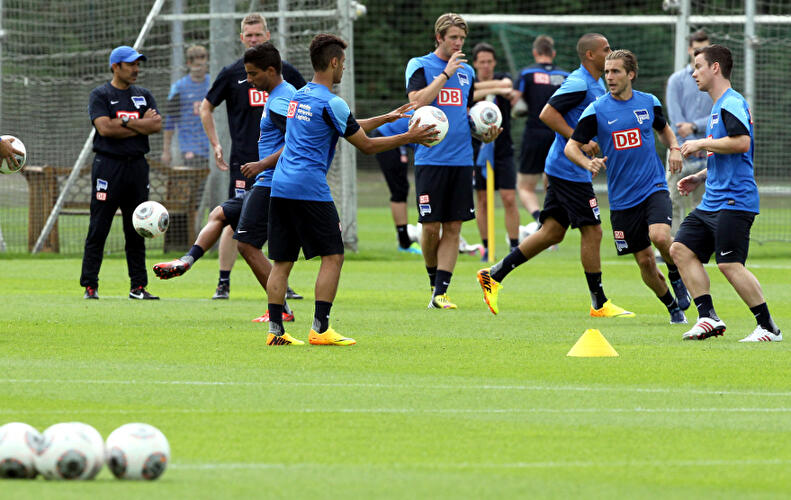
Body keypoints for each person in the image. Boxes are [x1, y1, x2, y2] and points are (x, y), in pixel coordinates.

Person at [264, 33, 438, 346]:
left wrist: (387, 118)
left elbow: (345, 125)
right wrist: (408, 137)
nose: (344, 68)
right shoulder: (333, 102)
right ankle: (320, 329)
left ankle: (276, 332)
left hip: (281, 186)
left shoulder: (299, 96)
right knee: (333, 256)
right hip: (309, 188)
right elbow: (366, 145)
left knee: (282, 262)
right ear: (334, 62)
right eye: (343, 63)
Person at [476, 33, 633, 319]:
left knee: (552, 232)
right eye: (606, 49)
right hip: (568, 169)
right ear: (590, 55)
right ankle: (599, 302)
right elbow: (547, 114)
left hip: (567, 168)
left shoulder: (596, 83)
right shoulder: (578, 82)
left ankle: (494, 274)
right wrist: (579, 141)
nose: (610, 53)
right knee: (593, 231)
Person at [153, 43, 298, 324]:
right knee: (220, 214)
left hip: (273, 183)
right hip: (262, 180)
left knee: (246, 244)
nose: (249, 80)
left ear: (270, 69)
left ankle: (281, 308)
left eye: (253, 74)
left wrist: (262, 164)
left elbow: (296, 141)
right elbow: (207, 107)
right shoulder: (277, 93)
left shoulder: (282, 99)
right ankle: (186, 261)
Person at [564, 49, 691, 325]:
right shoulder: (597, 109)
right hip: (622, 200)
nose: (609, 77)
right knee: (644, 261)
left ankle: (676, 275)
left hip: (653, 187)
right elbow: (571, 147)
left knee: (660, 236)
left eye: (616, 71)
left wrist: (674, 148)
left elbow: (664, 129)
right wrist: (587, 163)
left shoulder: (649, 102)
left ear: (630, 74)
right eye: (607, 72)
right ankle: (672, 307)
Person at [671, 44, 782, 342]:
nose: (694, 73)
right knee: (680, 249)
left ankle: (768, 328)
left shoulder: (731, 103)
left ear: (715, 68)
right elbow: (728, 154)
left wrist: (700, 143)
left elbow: (742, 143)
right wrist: (699, 177)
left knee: (729, 263)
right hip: (712, 201)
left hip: (735, 200)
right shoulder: (718, 107)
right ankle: (707, 317)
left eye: (698, 67)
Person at [200, 13, 306, 300]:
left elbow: (306, 109)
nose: (254, 39)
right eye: (249, 35)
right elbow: (206, 107)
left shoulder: (284, 75)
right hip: (245, 163)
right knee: (235, 221)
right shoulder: (232, 73)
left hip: (279, 164)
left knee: (275, 223)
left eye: (258, 34)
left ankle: (279, 285)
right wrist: (215, 144)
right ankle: (223, 282)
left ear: (267, 36)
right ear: (241, 38)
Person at [406, 13, 500, 310]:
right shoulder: (420, 65)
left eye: (462, 38)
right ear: (439, 38)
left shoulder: (467, 72)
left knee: (454, 226)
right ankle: (432, 280)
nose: (459, 43)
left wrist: (484, 134)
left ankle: (440, 293)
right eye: (453, 38)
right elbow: (417, 102)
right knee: (430, 227)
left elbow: (465, 115)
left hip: (462, 159)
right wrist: (445, 74)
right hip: (430, 157)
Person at [80, 46, 161, 300]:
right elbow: (105, 129)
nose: (136, 69)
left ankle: (138, 287)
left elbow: (156, 125)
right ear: (116, 67)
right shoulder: (101, 95)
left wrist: (124, 122)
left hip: (137, 167)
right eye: (131, 64)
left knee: (137, 227)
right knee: (99, 226)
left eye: (138, 64)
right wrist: (139, 124)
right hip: (108, 167)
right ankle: (90, 285)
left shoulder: (144, 95)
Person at [511, 35, 569, 226]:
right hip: (559, 136)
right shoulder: (567, 76)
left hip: (534, 134)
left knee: (525, 187)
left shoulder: (527, 73)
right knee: (551, 183)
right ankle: (552, 220)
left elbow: (515, 101)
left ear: (535, 52)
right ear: (553, 53)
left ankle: (539, 219)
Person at [470, 42, 520, 258]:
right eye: (482, 62)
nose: (486, 65)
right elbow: (469, 95)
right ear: (475, 64)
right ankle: (487, 246)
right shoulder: (468, 82)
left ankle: (515, 246)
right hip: (477, 150)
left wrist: (491, 88)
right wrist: (496, 88)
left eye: (489, 61)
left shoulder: (503, 77)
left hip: (503, 149)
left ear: (494, 62)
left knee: (509, 198)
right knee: (482, 200)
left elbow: (508, 86)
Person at [666, 30, 712, 235]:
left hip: (706, 151)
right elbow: (676, 120)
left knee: (702, 204)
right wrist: (690, 144)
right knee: (672, 200)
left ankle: (699, 245)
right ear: (689, 50)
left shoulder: (713, 81)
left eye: (705, 49)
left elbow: (716, 117)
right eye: (697, 49)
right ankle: (671, 245)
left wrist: (694, 128)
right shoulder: (676, 80)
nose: (700, 53)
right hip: (679, 150)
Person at [371, 116, 422, 254]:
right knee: (399, 190)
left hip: (399, 142)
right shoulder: (430, 113)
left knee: (402, 189)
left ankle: (406, 241)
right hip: (385, 137)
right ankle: (404, 242)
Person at [161, 44, 211, 168]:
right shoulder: (179, 88)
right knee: (197, 177)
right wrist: (166, 150)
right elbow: (170, 120)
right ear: (189, 64)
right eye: (197, 65)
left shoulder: (213, 83)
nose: (201, 69)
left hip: (212, 144)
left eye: (203, 65)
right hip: (191, 146)